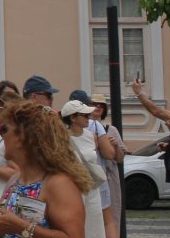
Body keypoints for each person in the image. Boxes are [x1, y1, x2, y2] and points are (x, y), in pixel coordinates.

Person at [0, 100, 92, 238]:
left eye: (5, 129)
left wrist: (23, 228)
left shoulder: (58, 184)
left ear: (22, 135)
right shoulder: (16, 179)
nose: (2, 136)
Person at [59, 100, 110, 238]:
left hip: (92, 187)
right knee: (76, 227)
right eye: (85, 115)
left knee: (95, 227)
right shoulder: (61, 139)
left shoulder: (90, 136)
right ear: (73, 118)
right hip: (72, 189)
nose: (89, 117)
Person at [87, 95, 123, 238]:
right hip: (91, 177)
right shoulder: (83, 129)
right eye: (95, 104)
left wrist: (115, 146)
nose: (98, 107)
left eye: (101, 105)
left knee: (112, 215)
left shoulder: (111, 129)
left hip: (109, 176)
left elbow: (119, 159)